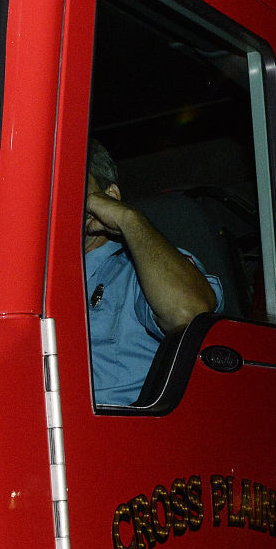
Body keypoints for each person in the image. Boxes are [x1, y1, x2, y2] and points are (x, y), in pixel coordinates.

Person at [83, 139, 222, 406]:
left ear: (109, 197)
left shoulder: (137, 272)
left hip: (117, 434)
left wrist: (128, 219)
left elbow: (188, 312)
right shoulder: (26, 288)